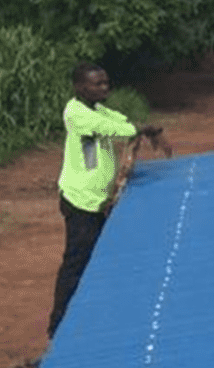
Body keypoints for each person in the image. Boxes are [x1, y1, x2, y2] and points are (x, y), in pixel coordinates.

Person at [49, 62, 169, 338]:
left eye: (105, 83)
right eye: (97, 84)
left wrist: (142, 128)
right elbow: (118, 129)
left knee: (98, 258)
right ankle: (58, 327)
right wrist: (146, 129)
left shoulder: (98, 109)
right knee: (76, 264)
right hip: (81, 202)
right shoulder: (76, 113)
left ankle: (89, 316)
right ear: (80, 87)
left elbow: (121, 122)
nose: (104, 88)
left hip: (98, 201)